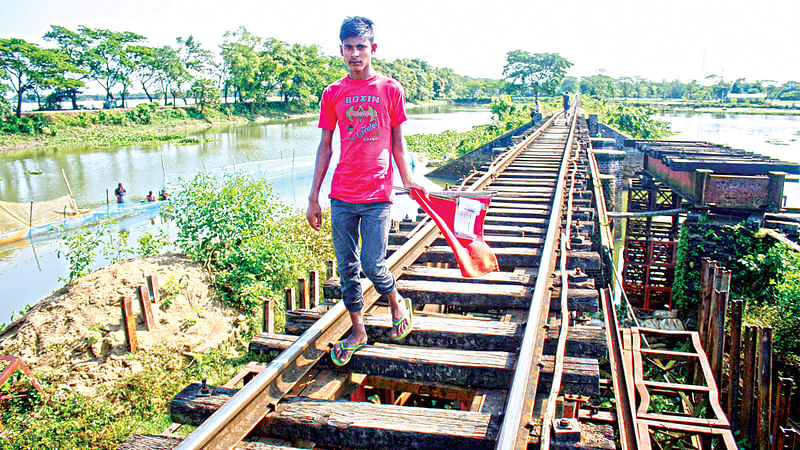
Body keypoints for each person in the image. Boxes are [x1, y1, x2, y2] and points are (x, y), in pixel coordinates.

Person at [306, 16, 427, 366]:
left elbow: (398, 143)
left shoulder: (390, 89)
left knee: (374, 265)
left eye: (361, 47)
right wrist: (314, 196)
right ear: (341, 50)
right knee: (347, 268)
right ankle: (358, 331)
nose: (355, 53)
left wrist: (409, 179)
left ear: (373, 49)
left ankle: (395, 301)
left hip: (377, 193)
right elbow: (325, 146)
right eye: (348, 47)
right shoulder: (333, 93)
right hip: (342, 194)